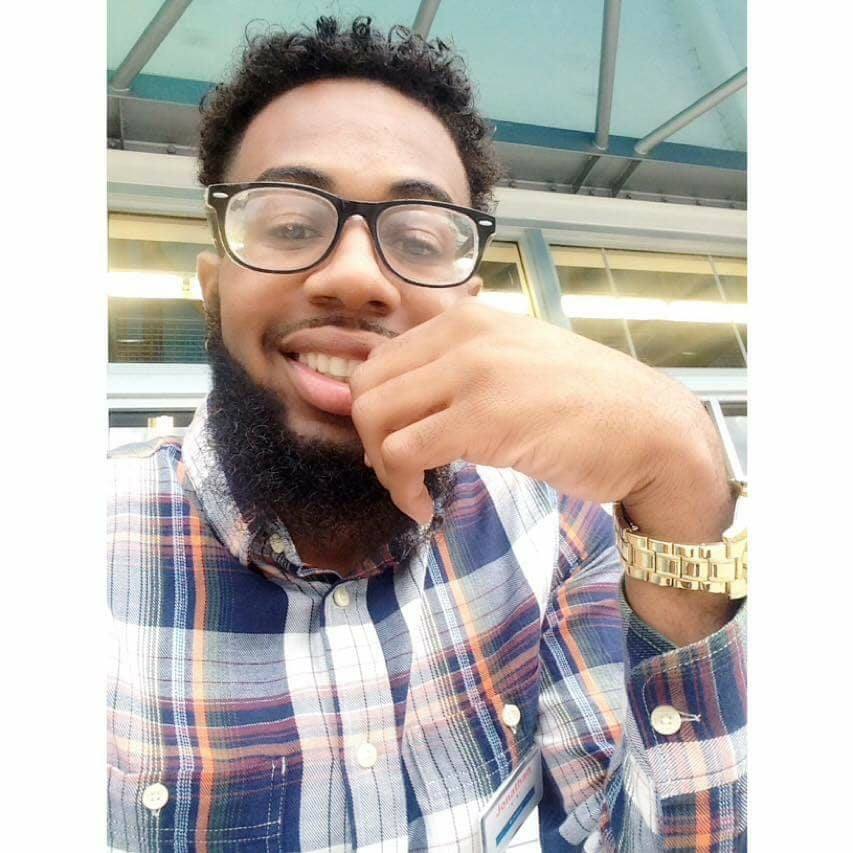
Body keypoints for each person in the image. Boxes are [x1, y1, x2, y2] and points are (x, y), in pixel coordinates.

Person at [107, 17, 746, 852]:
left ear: (468, 306)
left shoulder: (559, 528)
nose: (354, 276)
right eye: (291, 225)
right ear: (213, 286)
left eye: (415, 239)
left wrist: (681, 464)